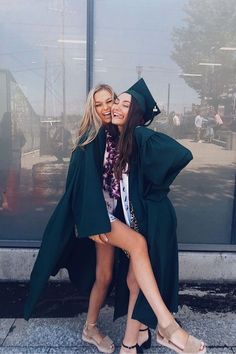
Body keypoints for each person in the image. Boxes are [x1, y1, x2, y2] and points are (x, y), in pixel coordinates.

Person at [24, 80, 206, 354]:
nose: (106, 107)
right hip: (99, 218)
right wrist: (90, 222)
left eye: (110, 101)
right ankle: (166, 326)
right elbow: (79, 188)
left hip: (114, 216)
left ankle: (101, 330)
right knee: (138, 246)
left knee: (107, 275)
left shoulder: (119, 134)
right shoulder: (90, 140)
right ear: (92, 109)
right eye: (98, 104)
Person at [102, 78, 205, 354]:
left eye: (126, 104)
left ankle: (131, 345)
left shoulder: (137, 135)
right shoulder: (121, 141)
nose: (117, 107)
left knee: (136, 281)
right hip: (140, 221)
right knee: (132, 281)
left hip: (155, 219)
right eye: (116, 102)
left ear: (135, 114)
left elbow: (180, 154)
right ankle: (143, 333)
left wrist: (154, 187)